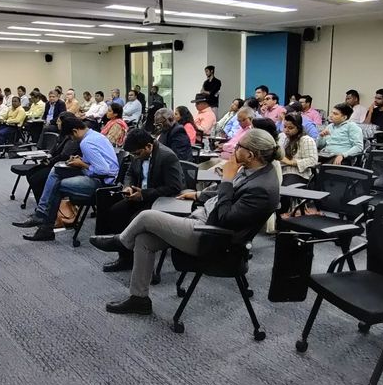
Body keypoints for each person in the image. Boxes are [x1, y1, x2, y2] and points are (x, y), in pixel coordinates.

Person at [88, 128, 281, 315]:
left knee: (146, 216)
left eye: (239, 146)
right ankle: (139, 300)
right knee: (143, 240)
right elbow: (225, 195)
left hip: (213, 237)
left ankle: (121, 241)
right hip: (203, 219)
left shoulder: (261, 189)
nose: (234, 149)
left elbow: (225, 218)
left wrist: (227, 179)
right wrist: (198, 194)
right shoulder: (254, 170)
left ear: (251, 155)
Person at [16, 117, 120, 241]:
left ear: (75, 131)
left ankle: (44, 222)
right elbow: (100, 161)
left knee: (57, 185)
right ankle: (42, 216)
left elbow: (103, 170)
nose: (72, 140)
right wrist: (81, 160)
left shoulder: (86, 143)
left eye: (71, 136)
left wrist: (82, 164)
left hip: (103, 183)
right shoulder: (95, 135)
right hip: (105, 178)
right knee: (56, 170)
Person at [101, 129, 184, 272]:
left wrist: (144, 194)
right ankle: (125, 258)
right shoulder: (137, 154)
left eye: (137, 153)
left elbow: (174, 187)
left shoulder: (167, 156)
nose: (135, 157)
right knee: (115, 211)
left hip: (160, 199)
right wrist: (128, 187)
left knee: (135, 220)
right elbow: (130, 173)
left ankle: (142, 264)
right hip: (140, 195)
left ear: (148, 146)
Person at [278, 112, 318, 185]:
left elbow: (313, 161)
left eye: (290, 128)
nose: (286, 130)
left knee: (285, 187)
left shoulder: (306, 140)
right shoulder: (282, 137)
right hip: (281, 171)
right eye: (285, 127)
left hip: (299, 174)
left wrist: (291, 162)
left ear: (298, 128)